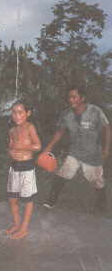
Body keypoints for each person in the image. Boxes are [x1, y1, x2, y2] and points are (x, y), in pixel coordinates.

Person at [43, 85, 111, 211]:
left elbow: (107, 128)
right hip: (75, 152)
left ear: (82, 98)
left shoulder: (95, 111)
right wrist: (48, 148)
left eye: (74, 97)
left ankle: (102, 204)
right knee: (63, 173)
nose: (71, 100)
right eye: (69, 97)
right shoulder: (66, 114)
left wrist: (106, 149)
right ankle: (51, 201)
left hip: (92, 154)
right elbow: (60, 132)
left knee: (97, 180)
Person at [6, 100, 42, 239]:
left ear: (28, 113)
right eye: (14, 112)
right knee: (12, 198)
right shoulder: (12, 130)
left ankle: (24, 228)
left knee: (27, 200)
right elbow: (10, 145)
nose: (17, 115)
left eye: (20, 112)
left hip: (27, 168)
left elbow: (38, 146)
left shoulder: (30, 127)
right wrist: (11, 151)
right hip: (14, 167)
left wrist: (22, 147)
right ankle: (17, 224)